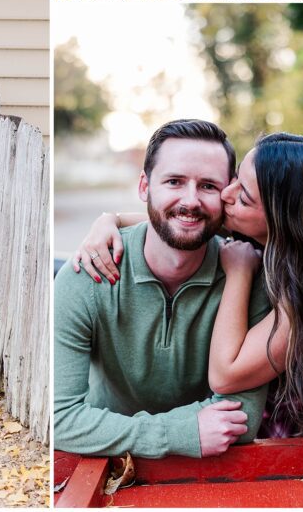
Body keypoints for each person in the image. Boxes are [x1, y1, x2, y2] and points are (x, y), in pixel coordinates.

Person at [74, 132, 303, 439]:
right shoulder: (272, 233)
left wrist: (239, 271)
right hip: (280, 409)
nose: (226, 193)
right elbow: (177, 218)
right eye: (236, 178)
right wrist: (109, 221)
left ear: (284, 218)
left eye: (244, 195)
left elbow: (225, 375)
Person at [54, 119, 270, 458]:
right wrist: (178, 432)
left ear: (227, 195)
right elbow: (60, 418)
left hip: (211, 470)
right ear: (144, 186)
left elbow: (242, 418)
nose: (190, 200)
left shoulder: (249, 276)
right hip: (103, 466)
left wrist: (107, 429)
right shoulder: (86, 275)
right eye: (174, 181)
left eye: (208, 186)